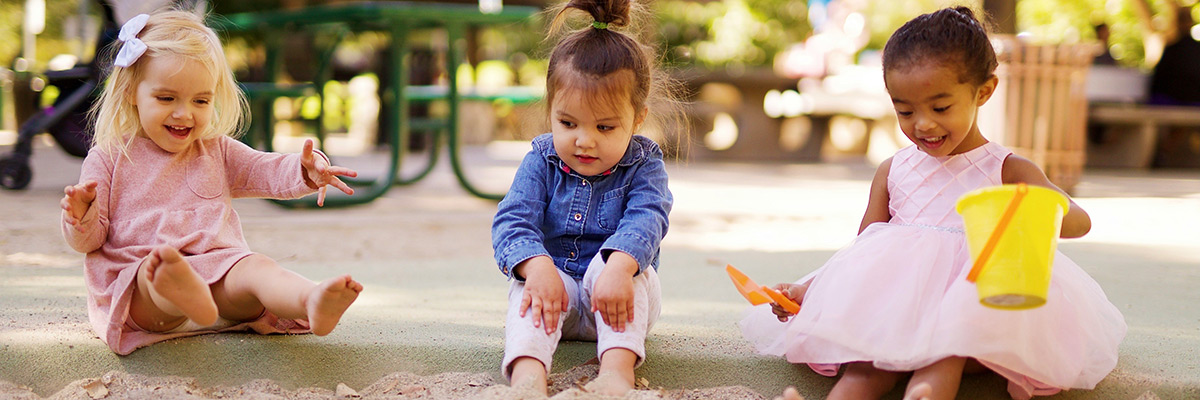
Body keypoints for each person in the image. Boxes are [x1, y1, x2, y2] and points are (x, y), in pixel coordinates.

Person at [741, 7, 1126, 400]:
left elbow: (1079, 221)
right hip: (893, 304)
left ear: (984, 92)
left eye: (940, 108)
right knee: (865, 366)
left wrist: (1035, 207)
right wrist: (811, 288)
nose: (922, 124)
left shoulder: (1008, 168)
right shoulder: (893, 169)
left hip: (973, 301)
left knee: (943, 355)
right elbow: (862, 249)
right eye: (904, 110)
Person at [60, 10, 363, 355]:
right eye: (166, 98)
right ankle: (181, 294)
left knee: (255, 267)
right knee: (154, 272)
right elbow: (89, 240)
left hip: (220, 284)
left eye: (200, 101)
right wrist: (81, 215)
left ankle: (310, 299)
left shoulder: (216, 149)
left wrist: (306, 170)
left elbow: (265, 169)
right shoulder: (109, 156)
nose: (184, 113)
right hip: (146, 295)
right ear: (132, 92)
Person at [490, 0, 675, 395]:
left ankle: (616, 373)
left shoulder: (645, 164)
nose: (584, 140)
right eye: (568, 123)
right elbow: (513, 220)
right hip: (553, 295)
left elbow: (648, 217)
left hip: (619, 294)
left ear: (637, 119)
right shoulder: (541, 158)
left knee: (626, 270)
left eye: (605, 127)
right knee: (526, 284)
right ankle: (528, 376)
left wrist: (619, 267)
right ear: (551, 111)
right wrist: (537, 268)